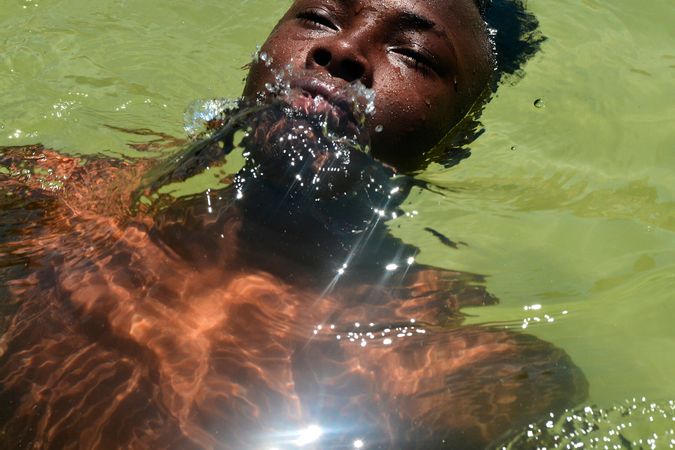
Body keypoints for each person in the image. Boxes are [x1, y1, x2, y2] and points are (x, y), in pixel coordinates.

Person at [0, 1, 584, 449]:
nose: (343, 49)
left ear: (459, 143)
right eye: (318, 16)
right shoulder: (46, 200)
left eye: (414, 55)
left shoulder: (469, 376)